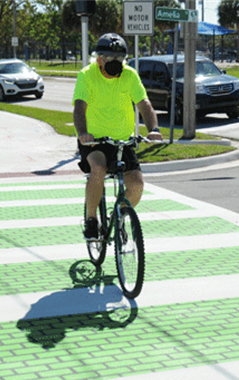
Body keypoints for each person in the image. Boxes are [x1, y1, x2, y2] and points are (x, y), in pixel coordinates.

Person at [73, 33, 163, 241]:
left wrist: (154, 129)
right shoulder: (87, 76)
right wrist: (82, 133)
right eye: (111, 59)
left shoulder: (130, 76)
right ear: (99, 59)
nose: (116, 63)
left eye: (120, 59)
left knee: (137, 185)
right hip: (94, 141)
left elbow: (145, 105)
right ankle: (91, 219)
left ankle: (118, 216)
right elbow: (79, 107)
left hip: (123, 141)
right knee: (98, 167)